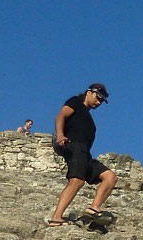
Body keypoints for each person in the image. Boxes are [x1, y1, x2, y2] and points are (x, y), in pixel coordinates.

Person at [48, 83, 118, 227]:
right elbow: (60, 115)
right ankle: (56, 217)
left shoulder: (87, 116)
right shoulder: (76, 102)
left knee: (110, 177)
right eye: (97, 98)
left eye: (101, 101)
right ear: (88, 93)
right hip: (74, 146)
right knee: (77, 181)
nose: (98, 103)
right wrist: (60, 135)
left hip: (85, 153)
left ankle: (94, 207)